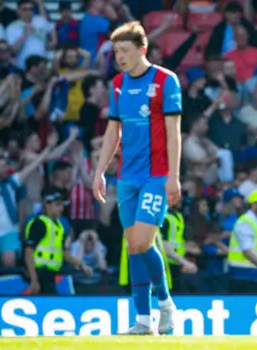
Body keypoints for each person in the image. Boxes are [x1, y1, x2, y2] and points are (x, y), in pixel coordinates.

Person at [91, 22, 182, 335]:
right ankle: (143, 321)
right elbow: (112, 132)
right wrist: (100, 171)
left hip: (157, 175)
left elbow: (174, 132)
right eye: (117, 52)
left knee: (143, 241)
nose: (120, 57)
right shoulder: (117, 84)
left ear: (142, 50)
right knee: (133, 248)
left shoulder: (165, 80)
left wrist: (174, 176)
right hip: (127, 176)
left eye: (125, 51)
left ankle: (167, 305)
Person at [23, 188, 92, 295]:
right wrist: (34, 279)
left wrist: (82, 265)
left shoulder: (59, 227)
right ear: (47, 205)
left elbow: (63, 253)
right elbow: (28, 251)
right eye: (57, 204)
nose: (61, 208)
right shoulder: (39, 223)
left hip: (50, 275)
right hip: (39, 273)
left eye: (62, 205)